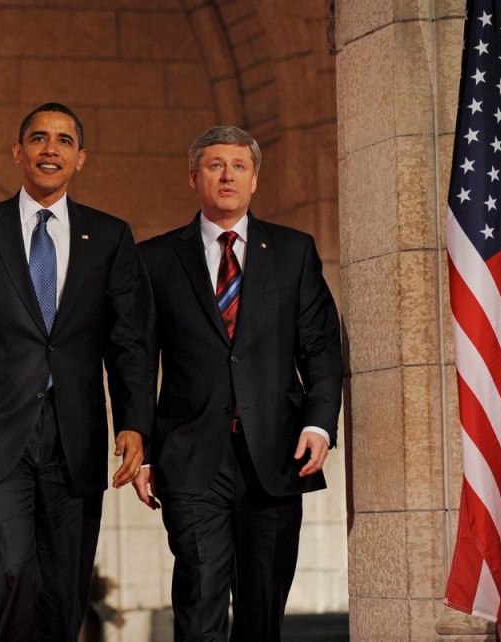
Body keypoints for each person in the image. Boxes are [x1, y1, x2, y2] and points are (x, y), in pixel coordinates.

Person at [0, 103, 153, 642]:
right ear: (18, 152)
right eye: (39, 139)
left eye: (64, 141)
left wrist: (135, 424)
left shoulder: (110, 237)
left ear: (81, 158)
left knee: (65, 583)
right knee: (11, 567)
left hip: (76, 433)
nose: (51, 149)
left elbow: (128, 343)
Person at [133, 126, 343, 642]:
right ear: (193, 177)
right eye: (214, 165)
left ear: (254, 180)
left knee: (262, 612)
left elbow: (319, 348)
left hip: (274, 456)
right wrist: (142, 449)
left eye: (238, 166)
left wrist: (320, 424)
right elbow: (138, 360)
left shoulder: (293, 252)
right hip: (189, 458)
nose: (227, 175)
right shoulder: (156, 259)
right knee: (198, 603)